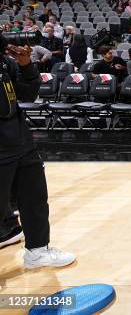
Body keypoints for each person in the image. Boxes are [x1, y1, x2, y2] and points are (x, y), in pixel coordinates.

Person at [0, 34, 76, 268]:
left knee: (35, 199)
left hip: (20, 139)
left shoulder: (6, 62)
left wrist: (27, 67)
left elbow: (27, 94)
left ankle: (37, 250)